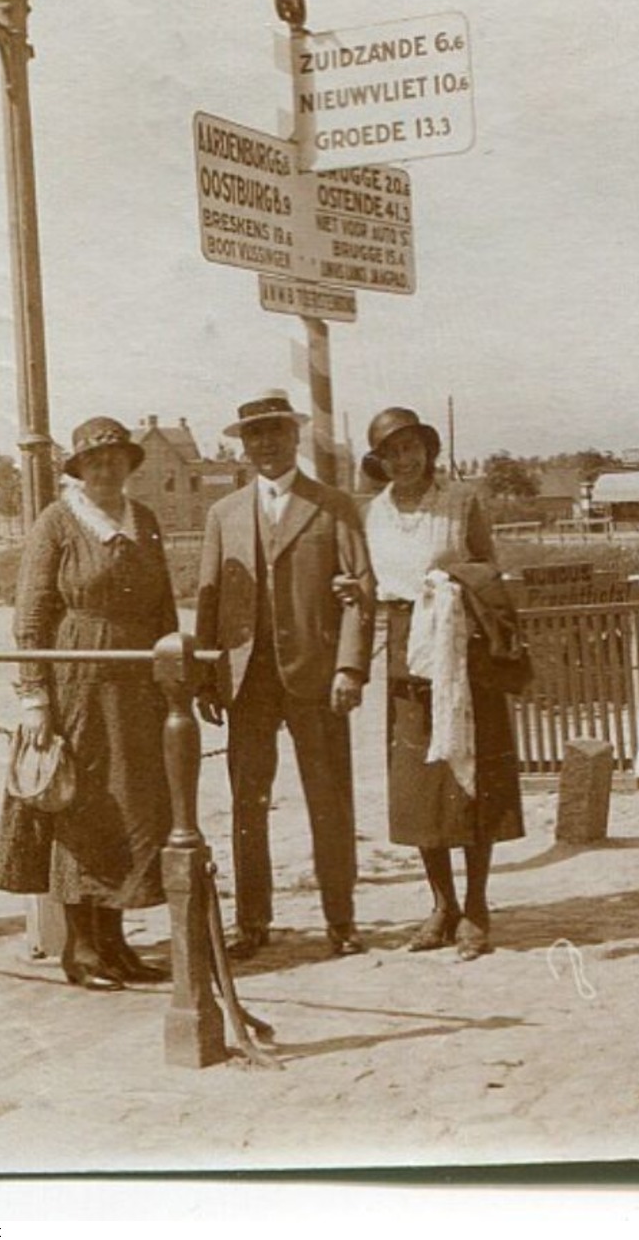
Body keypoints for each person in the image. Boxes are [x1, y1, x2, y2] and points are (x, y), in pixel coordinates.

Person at [0, 417, 177, 991]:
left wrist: (171, 669)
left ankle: (116, 942)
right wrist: (34, 697)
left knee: (132, 808)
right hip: (78, 682)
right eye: (95, 461)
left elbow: (164, 602)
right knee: (83, 807)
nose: (107, 468)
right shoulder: (58, 521)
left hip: (137, 683)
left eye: (116, 458)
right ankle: (81, 949)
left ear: (128, 464)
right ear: (79, 469)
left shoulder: (142, 520)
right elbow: (31, 615)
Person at [195, 389, 375, 959]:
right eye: (255, 435)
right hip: (247, 680)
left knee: (329, 799)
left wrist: (350, 667)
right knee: (248, 803)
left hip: (317, 677)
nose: (266, 443)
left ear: (295, 436)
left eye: (276, 431)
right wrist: (206, 674)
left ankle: (341, 920)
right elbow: (209, 599)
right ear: (243, 446)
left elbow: (359, 593)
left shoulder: (333, 505)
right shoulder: (223, 514)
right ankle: (252, 923)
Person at [360, 407, 525, 961]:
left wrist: (454, 584)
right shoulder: (373, 515)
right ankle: (442, 904)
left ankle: (477, 907)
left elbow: (489, 570)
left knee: (471, 776)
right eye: (392, 452)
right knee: (421, 783)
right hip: (408, 649)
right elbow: (370, 585)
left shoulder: (461, 501)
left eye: (412, 448)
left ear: (428, 451)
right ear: (379, 462)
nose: (404, 460)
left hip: (463, 644)